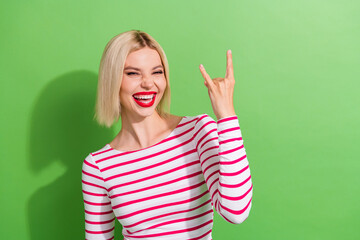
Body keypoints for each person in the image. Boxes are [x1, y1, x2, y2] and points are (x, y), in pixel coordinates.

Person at [81, 30, 253, 240]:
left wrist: (226, 116)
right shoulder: (98, 166)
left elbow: (236, 210)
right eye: (133, 73)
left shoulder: (196, 132)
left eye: (157, 72)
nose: (148, 83)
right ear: (112, 80)